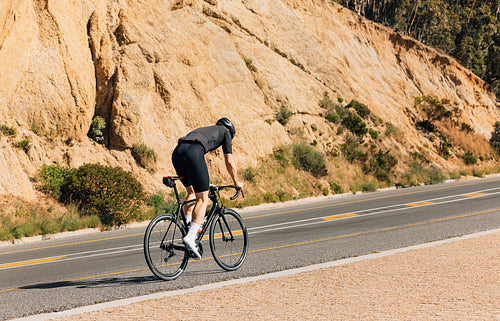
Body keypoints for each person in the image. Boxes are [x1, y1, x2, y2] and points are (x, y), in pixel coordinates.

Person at [171, 117, 244, 259]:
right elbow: (229, 161)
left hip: (177, 152)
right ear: (229, 129)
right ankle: (191, 237)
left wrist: (204, 184)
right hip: (193, 153)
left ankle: (188, 226)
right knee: (203, 199)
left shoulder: (205, 131)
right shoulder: (225, 132)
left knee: (192, 192)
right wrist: (236, 182)